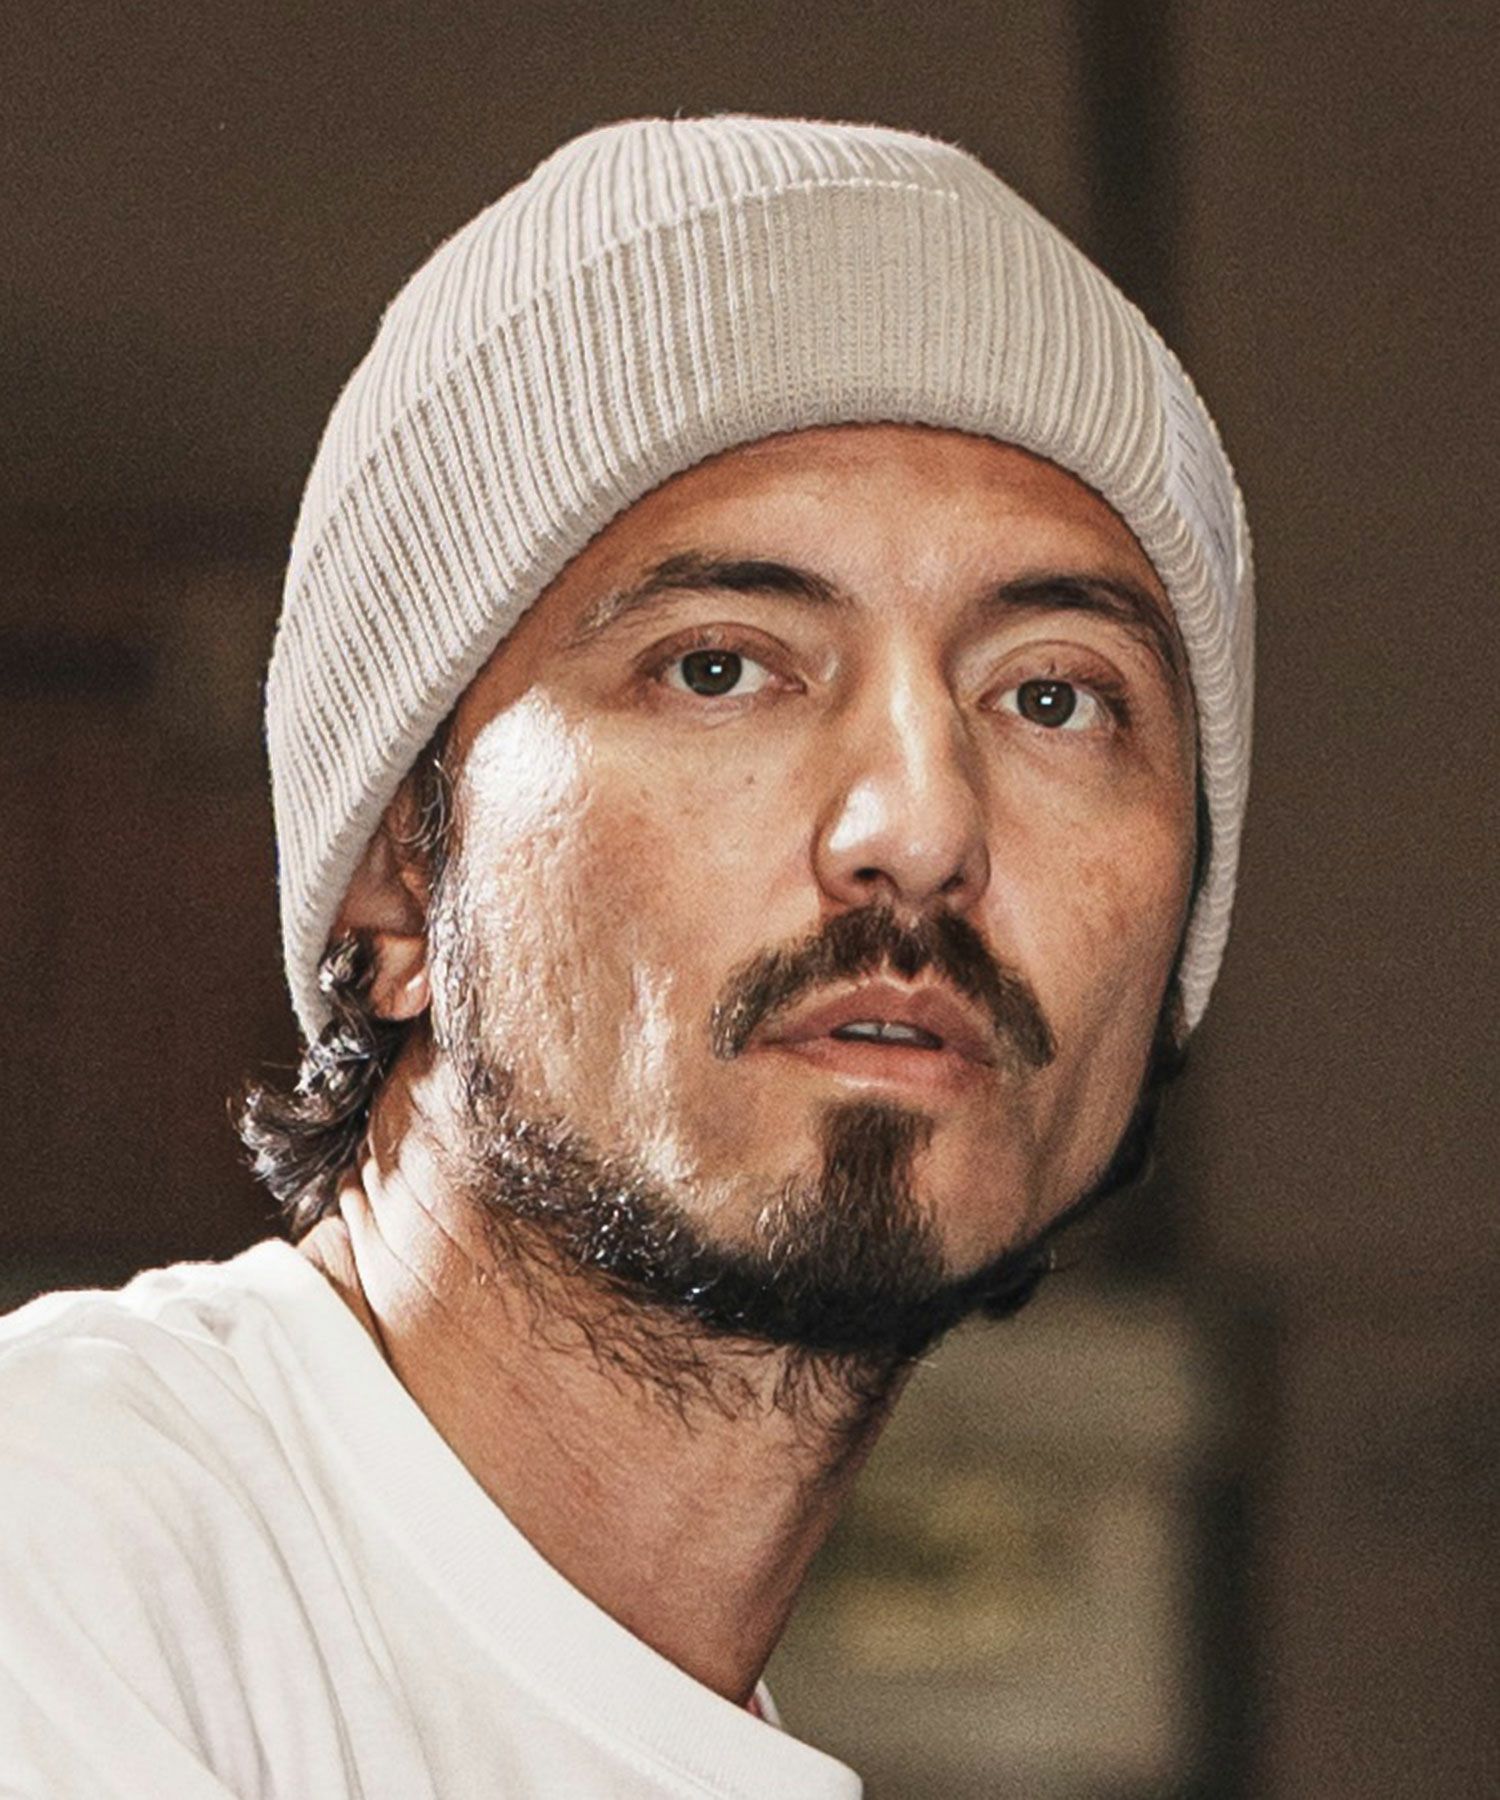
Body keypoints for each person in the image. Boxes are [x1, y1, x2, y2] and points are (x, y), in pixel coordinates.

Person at [0, 115, 1252, 1798]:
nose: (920, 821)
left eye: (1054, 697)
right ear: (394, 870)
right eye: (721, 667)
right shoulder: (67, 1571)